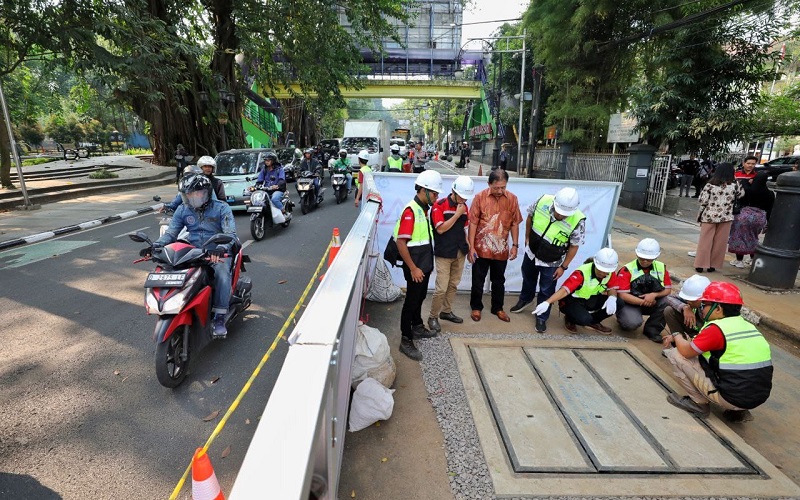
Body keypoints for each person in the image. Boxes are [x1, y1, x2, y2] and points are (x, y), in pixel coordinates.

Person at [663, 282, 773, 423]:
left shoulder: (716, 329)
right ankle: (739, 412)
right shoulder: (747, 326)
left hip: (732, 397)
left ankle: (698, 405)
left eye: (704, 305)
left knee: (676, 354)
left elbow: (685, 351)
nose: (701, 309)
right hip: (757, 396)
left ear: (718, 309)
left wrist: (677, 333)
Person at [153, 174, 238, 338]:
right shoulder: (183, 209)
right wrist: (156, 245)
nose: (192, 197)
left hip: (217, 251)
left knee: (221, 272)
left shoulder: (221, 207)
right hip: (193, 251)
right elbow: (171, 233)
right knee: (173, 269)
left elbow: (230, 233)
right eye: (188, 194)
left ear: (206, 192)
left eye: (196, 193)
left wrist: (221, 248)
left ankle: (219, 317)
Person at [510, 187, 585, 333]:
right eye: (559, 212)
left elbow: (574, 246)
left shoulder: (578, 220)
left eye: (565, 214)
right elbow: (530, 218)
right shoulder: (542, 200)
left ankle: (542, 316)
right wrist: (526, 237)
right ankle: (526, 299)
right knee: (528, 277)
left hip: (553, 261)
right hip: (532, 252)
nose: (561, 215)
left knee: (546, 289)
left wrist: (563, 267)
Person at [392, 170, 443, 361]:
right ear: (424, 190)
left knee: (420, 297)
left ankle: (417, 325)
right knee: (411, 301)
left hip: (423, 266)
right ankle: (406, 339)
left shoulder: (423, 209)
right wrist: (413, 268)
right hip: (416, 268)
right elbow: (401, 242)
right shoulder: (411, 211)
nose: (437, 197)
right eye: (435, 193)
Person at [467, 169, 522, 323]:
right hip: (480, 248)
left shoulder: (512, 199)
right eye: (496, 187)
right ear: (489, 184)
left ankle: (498, 308)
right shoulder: (479, 198)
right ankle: (476, 307)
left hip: (501, 249)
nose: (499, 191)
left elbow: (515, 223)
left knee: (499, 281)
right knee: (478, 280)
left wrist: (515, 245)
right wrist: (471, 247)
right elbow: (472, 223)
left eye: (503, 187)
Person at [532, 247, 621, 334]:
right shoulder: (582, 273)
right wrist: (547, 302)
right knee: (584, 319)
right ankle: (570, 319)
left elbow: (612, 287)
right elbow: (564, 290)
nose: (603, 273)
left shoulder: (610, 272)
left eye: (606, 271)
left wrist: (612, 298)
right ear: (595, 263)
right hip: (572, 301)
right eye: (600, 270)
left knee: (619, 302)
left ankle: (593, 322)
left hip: (590, 299)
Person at [427, 176, 474, 333]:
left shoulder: (464, 206)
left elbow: (465, 228)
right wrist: (456, 214)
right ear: (454, 191)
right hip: (444, 253)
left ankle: (446, 311)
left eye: (466, 197)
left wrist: (469, 247)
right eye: (462, 196)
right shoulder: (439, 206)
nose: (464, 199)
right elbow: (440, 229)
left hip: (459, 251)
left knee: (454, 284)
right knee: (441, 288)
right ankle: (433, 316)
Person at [616, 238, 673, 342]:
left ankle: (652, 329)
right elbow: (623, 295)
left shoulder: (661, 267)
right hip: (630, 303)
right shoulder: (627, 269)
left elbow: (668, 289)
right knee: (631, 323)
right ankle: (623, 317)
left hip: (652, 300)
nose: (645, 261)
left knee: (668, 301)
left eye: (649, 259)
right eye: (642, 258)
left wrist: (653, 295)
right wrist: (644, 301)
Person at [693, 163, 743, 272]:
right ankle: (713, 265)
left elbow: (702, 200)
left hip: (709, 216)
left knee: (705, 241)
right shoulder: (735, 185)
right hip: (726, 217)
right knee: (720, 242)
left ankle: (700, 264)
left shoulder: (710, 185)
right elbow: (740, 195)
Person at [728, 172, 774, 268]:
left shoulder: (748, 190)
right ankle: (753, 258)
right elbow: (770, 209)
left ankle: (739, 261)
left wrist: (747, 183)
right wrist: (767, 222)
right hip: (760, 218)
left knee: (740, 238)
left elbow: (741, 197)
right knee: (753, 237)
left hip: (744, 216)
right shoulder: (770, 193)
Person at [662, 274, 711, 345]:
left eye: (692, 300)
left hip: (706, 334)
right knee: (669, 310)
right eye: (687, 299)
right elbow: (669, 298)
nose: (688, 302)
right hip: (695, 326)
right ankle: (680, 344)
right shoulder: (693, 294)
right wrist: (684, 307)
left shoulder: (713, 309)